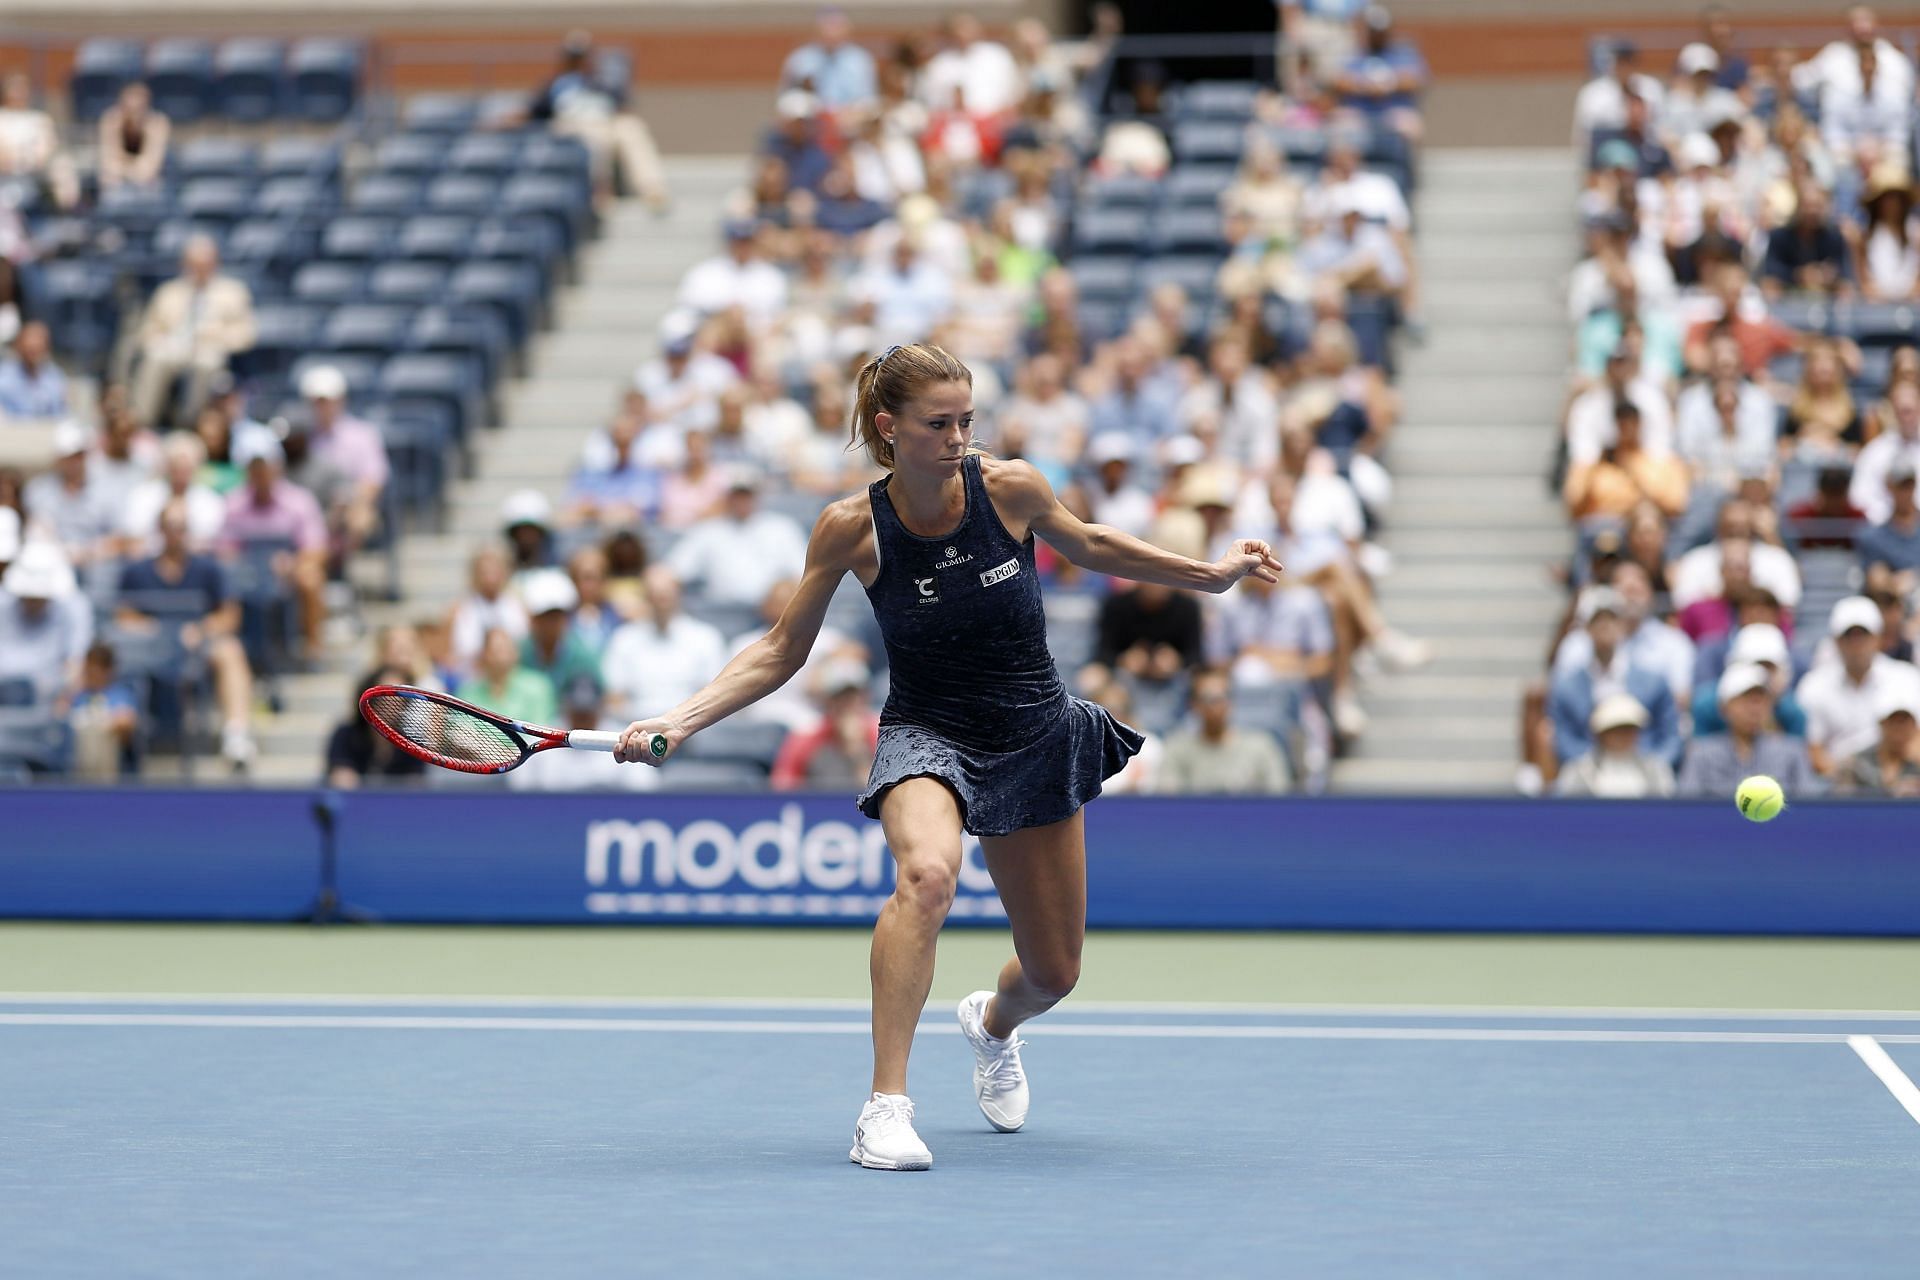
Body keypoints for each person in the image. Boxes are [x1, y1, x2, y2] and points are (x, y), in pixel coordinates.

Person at [608, 343, 1282, 1171]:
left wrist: (1209, 576)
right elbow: (783, 649)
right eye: (940, 423)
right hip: (927, 731)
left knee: (1055, 973)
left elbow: (1094, 543)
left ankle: (992, 1026)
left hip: (1034, 729)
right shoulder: (852, 526)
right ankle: (884, 1108)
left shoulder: (1011, 488)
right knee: (927, 875)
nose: (960, 436)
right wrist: (681, 719)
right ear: (890, 428)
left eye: (967, 419)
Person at [117, 499, 257, 769]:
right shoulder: (136, 571)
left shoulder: (209, 569)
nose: (176, 532)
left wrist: (201, 629)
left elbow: (230, 615)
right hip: (150, 649)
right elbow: (123, 615)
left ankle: (236, 735)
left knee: (230, 651)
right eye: (170, 526)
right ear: (159, 529)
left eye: (181, 526)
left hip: (196, 645)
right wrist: (155, 630)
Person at [510, 31, 669, 212]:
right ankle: (600, 195)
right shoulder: (556, 83)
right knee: (595, 138)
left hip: (605, 122)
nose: (579, 61)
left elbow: (622, 105)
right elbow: (534, 112)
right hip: (573, 126)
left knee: (632, 127)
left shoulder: (602, 82)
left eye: (582, 56)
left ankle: (652, 189)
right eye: (574, 56)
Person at [130, 236, 256, 431]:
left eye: (204, 264)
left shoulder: (233, 292)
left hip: (212, 348)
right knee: (156, 357)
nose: (199, 270)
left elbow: (246, 335)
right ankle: (142, 423)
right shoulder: (168, 292)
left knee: (206, 362)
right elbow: (147, 331)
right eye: (193, 264)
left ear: (215, 263)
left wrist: (218, 336)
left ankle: (190, 423)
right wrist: (160, 340)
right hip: (174, 348)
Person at [219, 429, 328, 652]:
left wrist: (291, 564)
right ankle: (237, 651)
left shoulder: (300, 500)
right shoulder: (232, 504)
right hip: (245, 574)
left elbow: (316, 549)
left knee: (310, 578)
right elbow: (224, 551)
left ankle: (312, 649)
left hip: (287, 575)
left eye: (265, 466)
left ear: (277, 466)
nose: (261, 473)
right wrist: (246, 565)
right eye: (255, 467)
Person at [1796, 594, 1920, 775]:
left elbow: (1916, 740)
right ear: (1837, 642)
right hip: (1837, 786)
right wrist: (1851, 774)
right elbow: (1810, 749)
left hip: (1898, 779)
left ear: (1878, 638)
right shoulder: (1814, 685)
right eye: (1849, 637)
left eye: (1863, 636)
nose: (1857, 644)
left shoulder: (1906, 678)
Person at [664, 466, 808, 608]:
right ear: (727, 497)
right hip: (720, 614)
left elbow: (802, 575)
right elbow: (673, 571)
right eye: (737, 495)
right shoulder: (708, 530)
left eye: (746, 494)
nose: (741, 500)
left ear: (757, 496)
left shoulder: (782, 528)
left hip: (772, 616)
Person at [1676, 661, 1820, 798]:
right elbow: (1686, 809)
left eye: (1761, 700)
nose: (1755, 709)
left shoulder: (1792, 752)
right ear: (1724, 708)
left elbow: (1810, 807)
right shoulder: (1701, 754)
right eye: (1745, 700)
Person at [1156, 666, 1292, 795]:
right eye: (1206, 698)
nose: (1213, 706)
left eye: (1220, 698)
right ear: (1193, 704)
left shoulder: (1261, 746)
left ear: (1231, 701)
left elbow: (1280, 800)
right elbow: (1169, 800)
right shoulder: (1176, 748)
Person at [770, 655, 881, 789]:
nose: (847, 704)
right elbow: (781, 789)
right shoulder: (806, 736)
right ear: (827, 701)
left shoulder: (881, 736)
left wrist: (857, 748)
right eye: (840, 697)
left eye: (853, 696)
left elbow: (877, 791)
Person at [1554, 693, 1675, 797]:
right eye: (1616, 730)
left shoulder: (1656, 770)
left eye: (1629, 729)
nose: (1623, 735)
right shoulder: (1578, 772)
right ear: (1601, 733)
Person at [456, 626, 559, 726]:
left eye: (504, 649)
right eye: (495, 650)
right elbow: (460, 732)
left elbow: (541, 728)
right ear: (483, 655)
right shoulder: (468, 692)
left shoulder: (538, 686)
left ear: (516, 653)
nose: (500, 656)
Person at [1831, 683, 1920, 797]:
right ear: (1882, 725)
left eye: (1905, 723)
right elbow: (1842, 805)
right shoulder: (1855, 764)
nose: (1899, 731)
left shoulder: (1916, 765)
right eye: (1893, 723)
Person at [66, 642, 139, 780]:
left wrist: (103, 721)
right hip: (77, 761)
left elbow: (127, 724)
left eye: (95, 669)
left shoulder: (120, 694)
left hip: (110, 766)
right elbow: (59, 718)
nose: (90, 674)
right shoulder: (77, 695)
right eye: (88, 668)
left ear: (108, 670)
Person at [781, 8, 877, 111]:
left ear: (847, 30)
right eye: (827, 26)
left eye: (836, 26)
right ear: (816, 30)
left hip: (850, 120)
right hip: (809, 121)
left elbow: (868, 101)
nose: (831, 32)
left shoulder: (861, 60)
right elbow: (787, 99)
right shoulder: (800, 59)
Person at [96, 81, 169, 192]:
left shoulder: (158, 123)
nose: (134, 114)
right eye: (129, 109)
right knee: (109, 179)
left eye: (139, 108)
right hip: (118, 177)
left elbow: (152, 165)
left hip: (147, 181)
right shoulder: (111, 120)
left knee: (151, 183)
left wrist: (129, 169)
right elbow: (109, 161)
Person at [0, 321, 68, 420]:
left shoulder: (55, 377)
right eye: (29, 349)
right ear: (19, 346)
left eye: (38, 348)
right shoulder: (4, 377)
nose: (33, 352)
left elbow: (60, 415)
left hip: (47, 432)